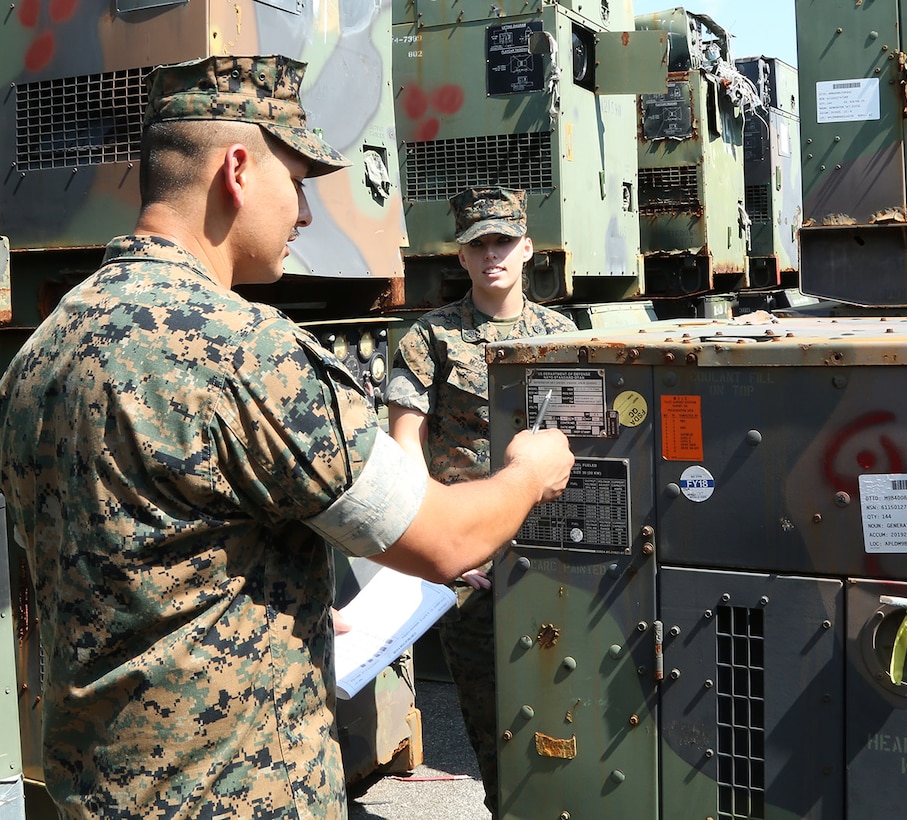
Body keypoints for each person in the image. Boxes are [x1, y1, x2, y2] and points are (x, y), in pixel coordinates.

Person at [0, 56, 573, 819]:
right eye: (298, 182)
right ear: (238, 168)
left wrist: (282, 597)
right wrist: (531, 472)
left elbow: (132, 561)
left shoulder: (44, 349)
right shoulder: (246, 352)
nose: (304, 214)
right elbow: (443, 541)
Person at [385, 186, 577, 816]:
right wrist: (441, 543)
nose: (491, 254)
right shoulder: (430, 338)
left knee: (572, 716)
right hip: (475, 567)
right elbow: (404, 447)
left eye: (503, 241)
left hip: (556, 557)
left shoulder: (561, 334)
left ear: (527, 249)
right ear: (460, 258)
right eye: (477, 245)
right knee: (494, 725)